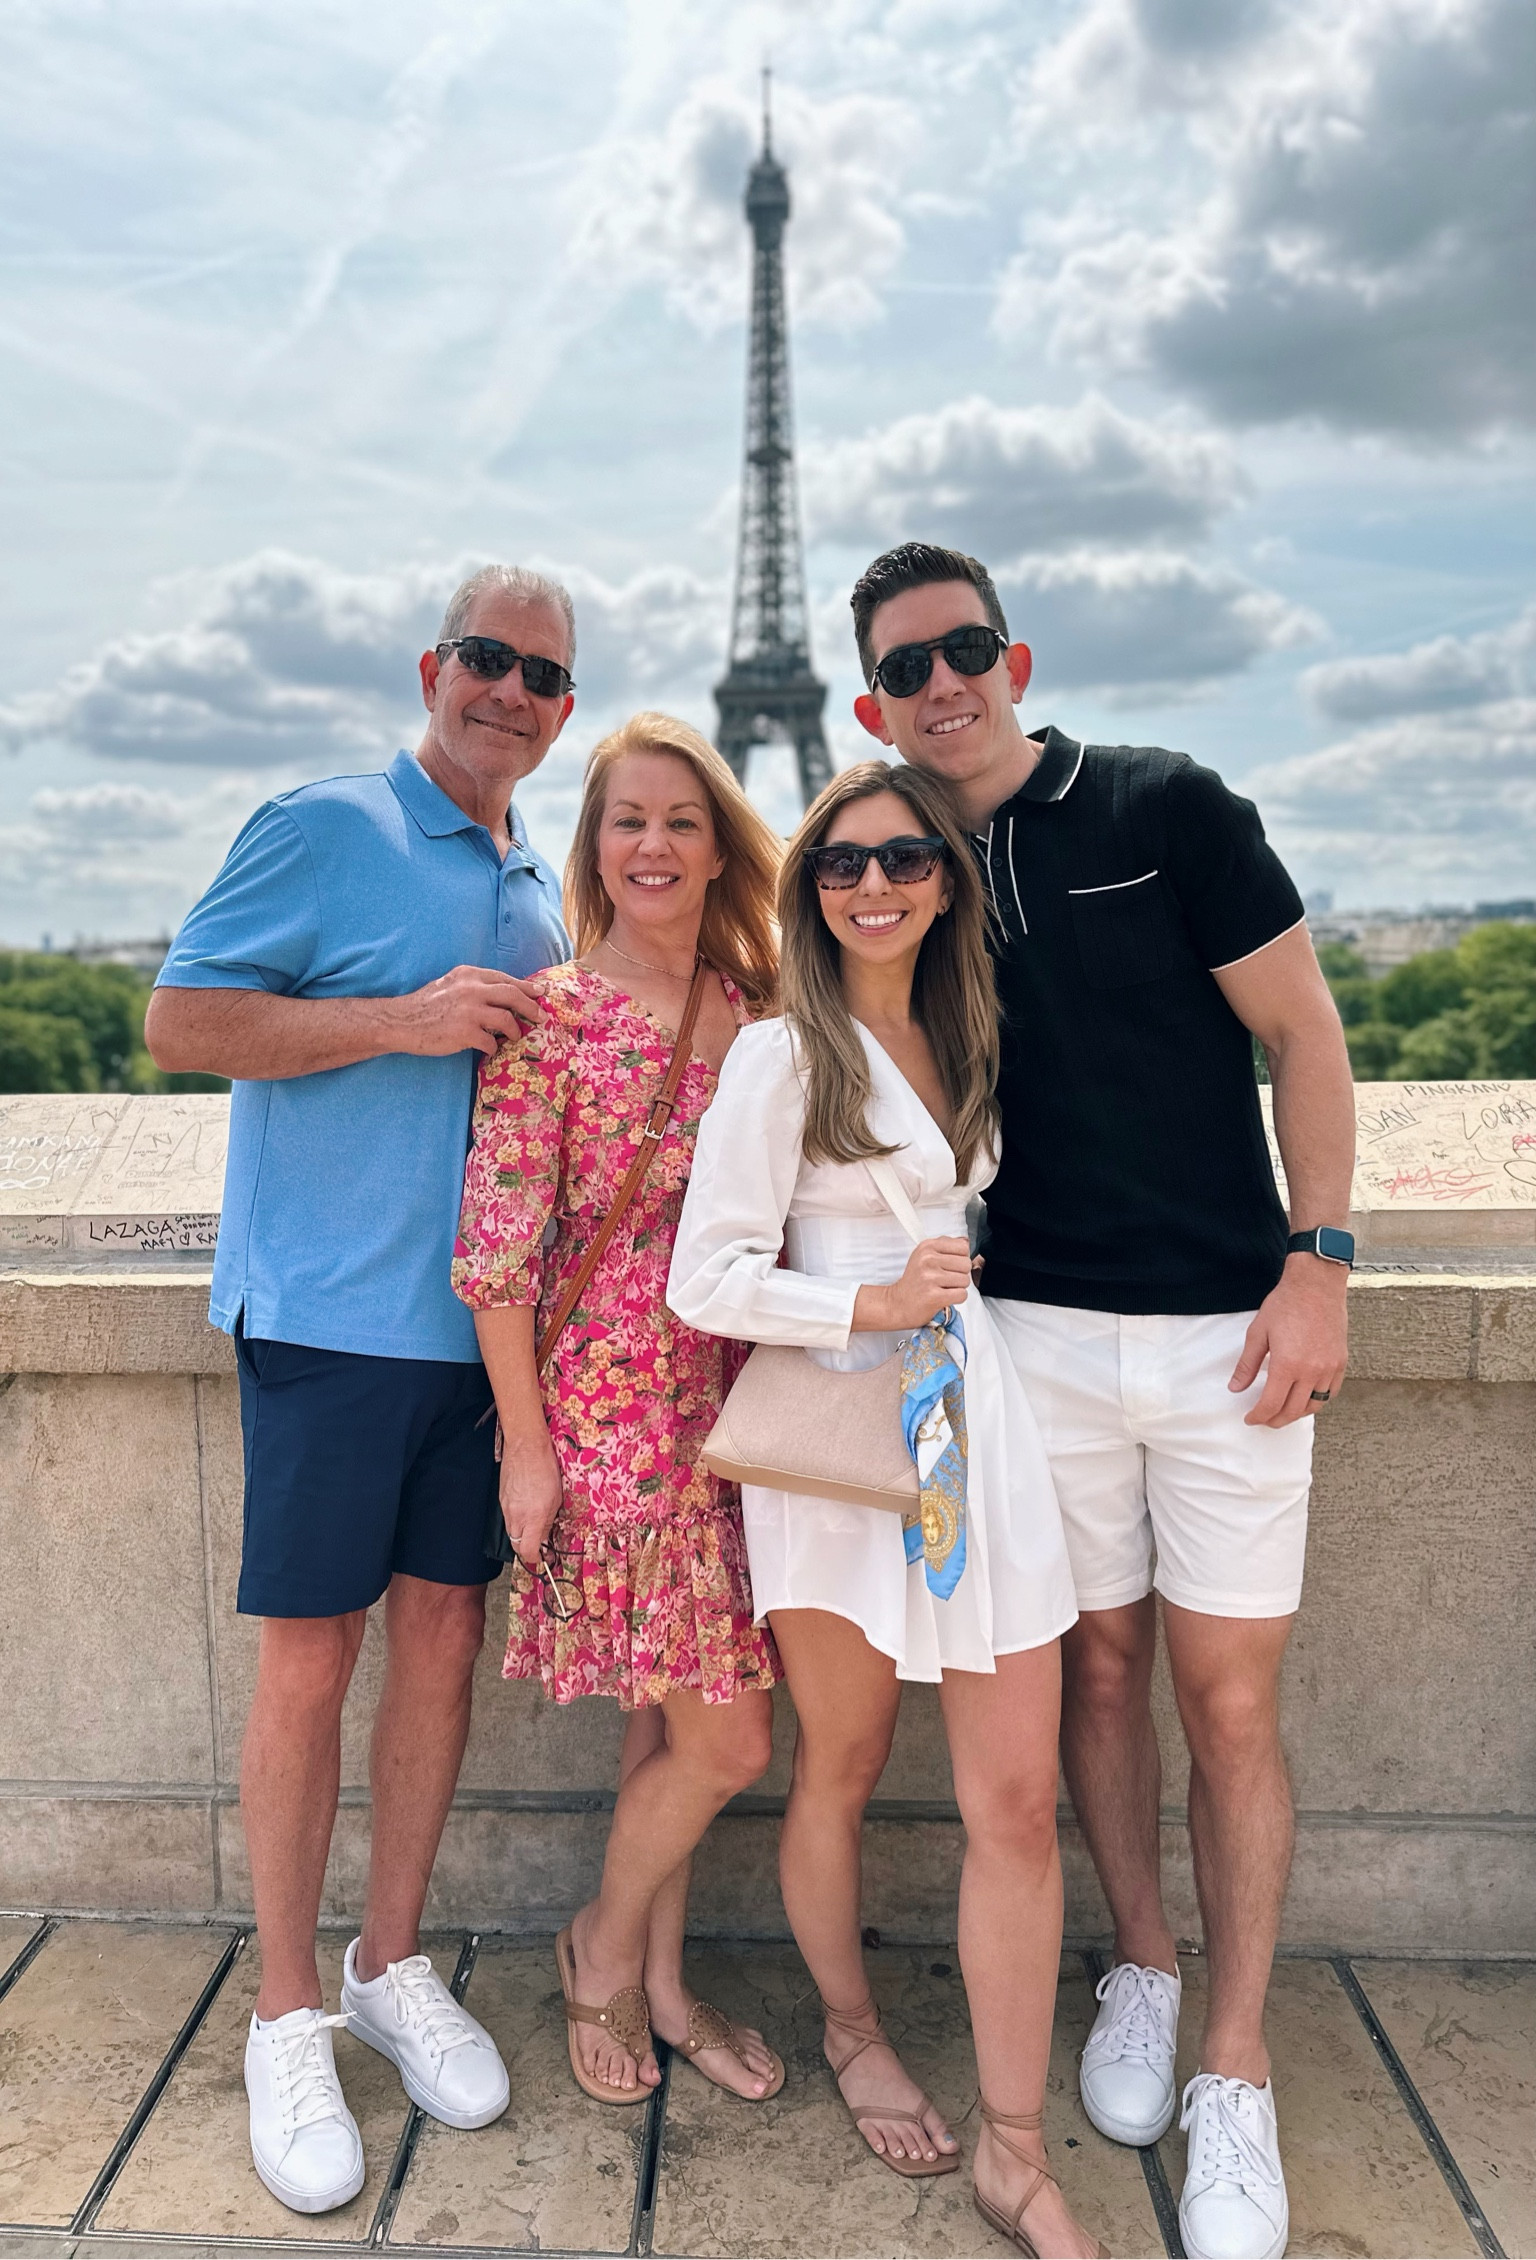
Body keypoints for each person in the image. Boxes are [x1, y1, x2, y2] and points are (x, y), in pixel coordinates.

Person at [848, 540, 1356, 2260]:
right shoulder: (898, 865)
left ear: (1019, 654)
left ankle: (1233, 2064)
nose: (944, 684)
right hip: (1032, 1341)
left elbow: (1306, 1037)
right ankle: (1140, 1962)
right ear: (870, 706)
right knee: (1105, 1670)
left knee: (1227, 1703)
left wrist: (1322, 1262)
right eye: (909, 669)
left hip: (1229, 1331)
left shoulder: (1165, 805)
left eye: (965, 648)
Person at [145, 564, 576, 2214]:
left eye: (542, 675)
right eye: (486, 658)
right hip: (328, 1323)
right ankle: (280, 2012)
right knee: (312, 1667)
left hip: (484, 1343)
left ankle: (391, 1966)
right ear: (430, 666)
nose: (509, 692)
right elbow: (184, 1019)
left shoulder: (537, 876)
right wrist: (400, 1020)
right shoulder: (323, 823)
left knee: (447, 1649)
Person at [669, 761, 1106, 2260]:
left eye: (905, 857)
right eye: (843, 864)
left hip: (975, 1441)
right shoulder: (784, 1055)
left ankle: (1012, 2144)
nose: (873, 885)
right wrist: (859, 1291)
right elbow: (702, 1278)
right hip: (844, 1453)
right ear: (810, 888)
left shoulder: (971, 1025)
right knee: (838, 1765)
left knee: (1016, 1801)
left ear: (946, 878)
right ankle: (855, 2034)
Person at [452, 712, 785, 2107]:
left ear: (721, 847)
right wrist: (527, 1449)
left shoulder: (764, 1010)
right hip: (616, 1422)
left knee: (670, 1730)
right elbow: (498, 1251)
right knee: (726, 1736)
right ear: (594, 849)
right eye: (625, 821)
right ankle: (601, 1951)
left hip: (745, 1409)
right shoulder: (555, 1019)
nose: (652, 845)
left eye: (681, 821)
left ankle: (656, 1983)